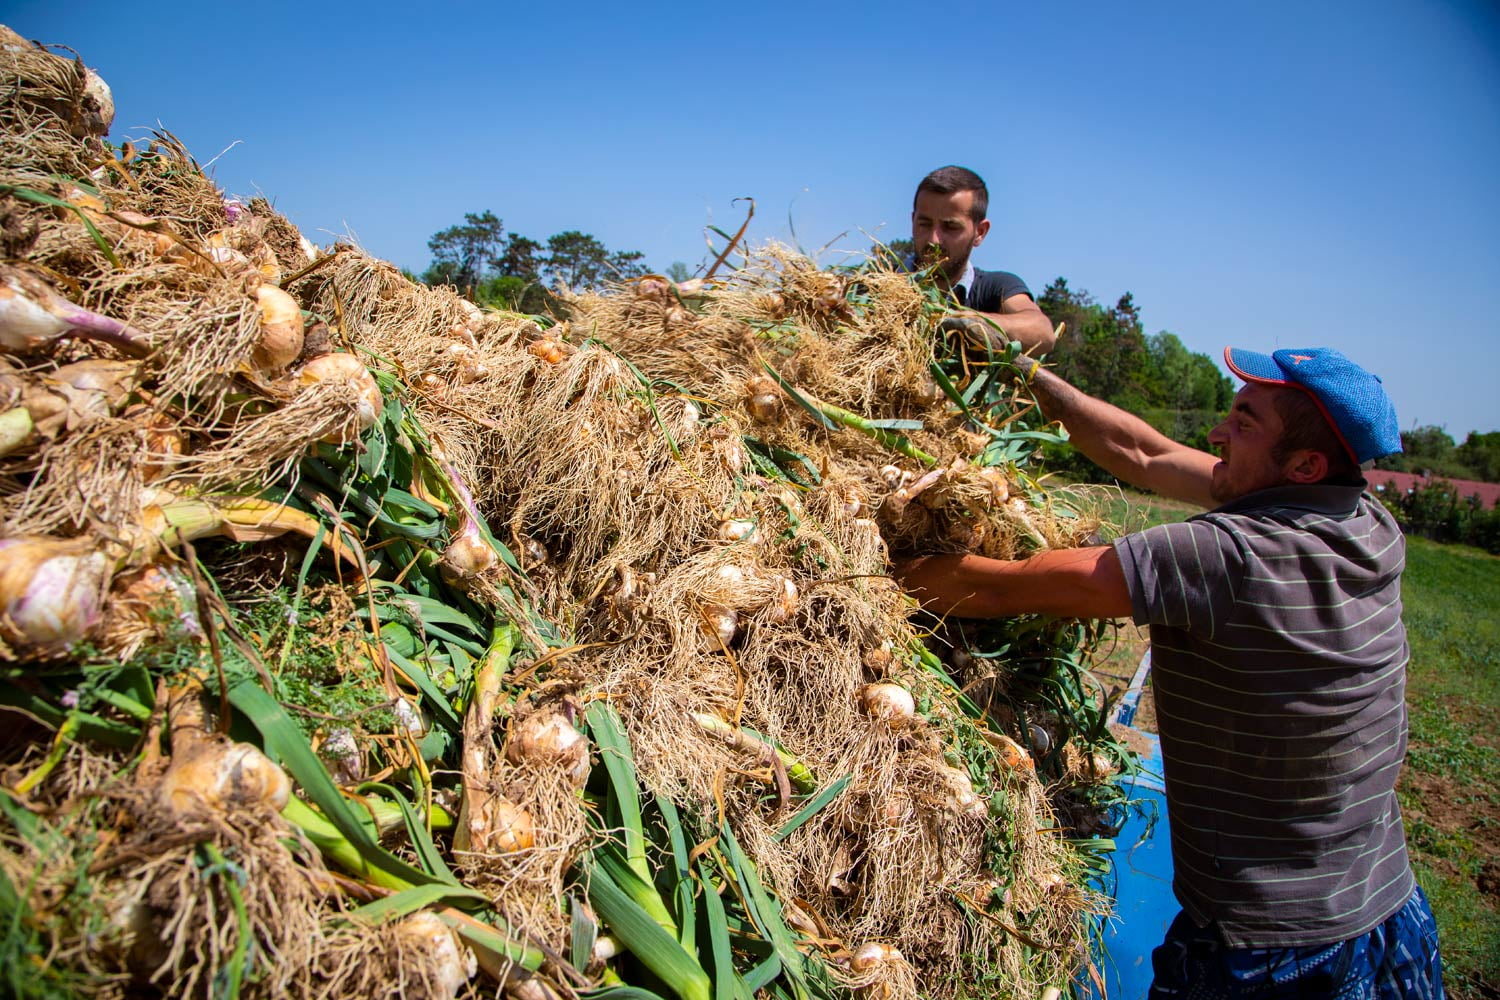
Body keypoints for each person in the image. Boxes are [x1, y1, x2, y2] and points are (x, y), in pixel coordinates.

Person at [898, 346, 1445, 998]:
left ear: (1303, 464)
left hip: (1270, 955)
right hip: (1393, 911)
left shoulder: (1228, 556)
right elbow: (1147, 454)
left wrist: (869, 561)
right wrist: (1030, 379)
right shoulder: (1369, 522)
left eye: (1243, 423)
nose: (1217, 434)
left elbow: (1001, 591)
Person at [906, 165, 1056, 354]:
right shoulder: (873, 287)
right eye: (924, 224)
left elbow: (1042, 332)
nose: (934, 240)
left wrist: (970, 322)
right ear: (913, 221)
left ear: (980, 232)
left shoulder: (995, 288)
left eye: (950, 227)